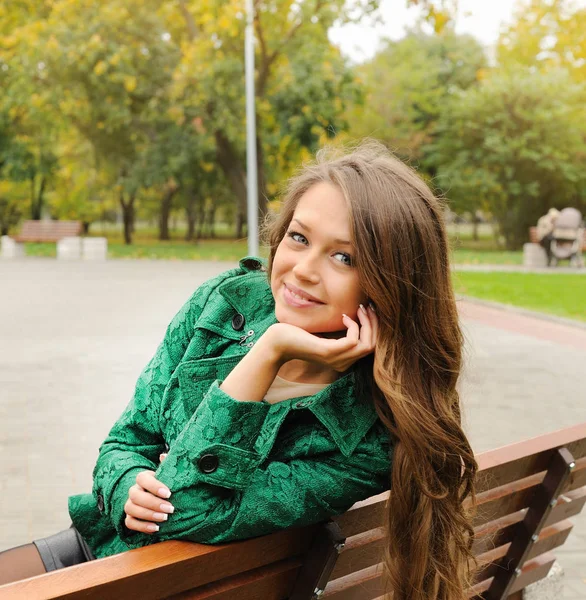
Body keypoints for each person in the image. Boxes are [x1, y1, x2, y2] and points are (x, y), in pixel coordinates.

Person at [0, 140, 479, 600]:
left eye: (343, 257)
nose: (303, 269)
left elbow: (182, 515)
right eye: (299, 237)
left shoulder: (370, 437)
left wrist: (267, 352)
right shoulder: (225, 301)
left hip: (169, 584)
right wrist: (126, 483)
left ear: (393, 283)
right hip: (101, 549)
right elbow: (126, 440)